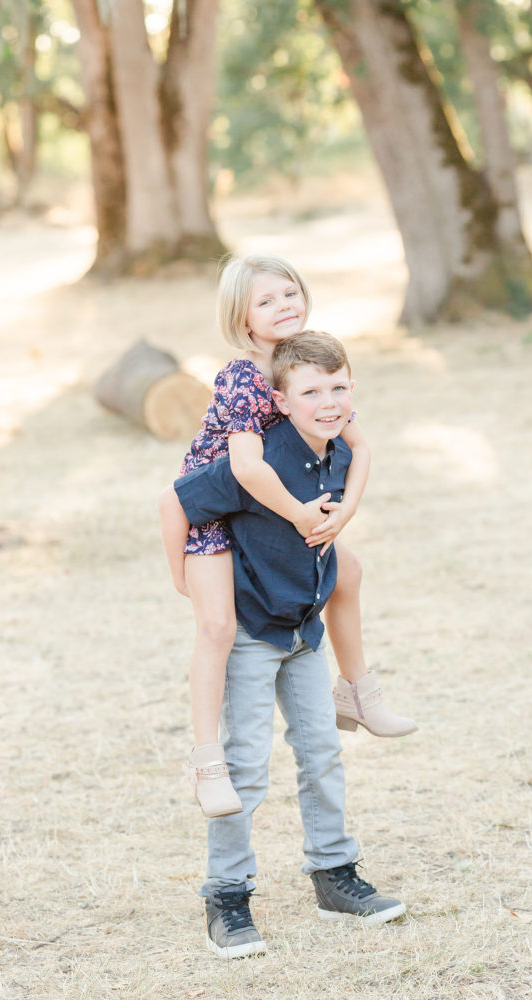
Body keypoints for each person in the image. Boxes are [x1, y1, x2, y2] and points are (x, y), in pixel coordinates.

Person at [170, 331, 408, 958]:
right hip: (249, 633)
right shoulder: (255, 461)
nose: (327, 402)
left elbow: (360, 465)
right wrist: (181, 578)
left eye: (338, 388)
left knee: (323, 753)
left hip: (305, 634)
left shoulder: (339, 452)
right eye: (310, 391)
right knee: (245, 767)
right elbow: (179, 498)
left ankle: (334, 873)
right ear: (278, 399)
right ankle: (227, 896)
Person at [159, 255, 416, 819]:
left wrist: (343, 513)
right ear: (242, 317)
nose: (283, 307)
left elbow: (362, 447)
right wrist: (302, 516)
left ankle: (357, 691)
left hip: (274, 511)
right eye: (266, 301)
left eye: (289, 293)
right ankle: (206, 763)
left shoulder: (310, 363)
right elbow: (246, 471)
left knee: (348, 571)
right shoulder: (243, 376)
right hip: (216, 511)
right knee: (217, 625)